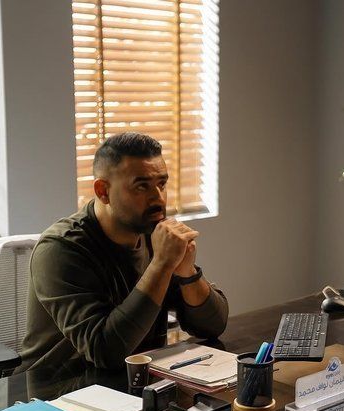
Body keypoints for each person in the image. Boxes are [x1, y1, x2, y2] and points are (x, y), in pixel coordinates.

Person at [19, 133, 228, 372]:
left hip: (137, 379)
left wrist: (187, 272)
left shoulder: (154, 234)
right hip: (59, 385)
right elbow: (105, 352)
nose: (158, 198)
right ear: (103, 191)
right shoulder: (60, 250)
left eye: (161, 184)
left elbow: (213, 326)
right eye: (141, 186)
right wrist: (161, 264)